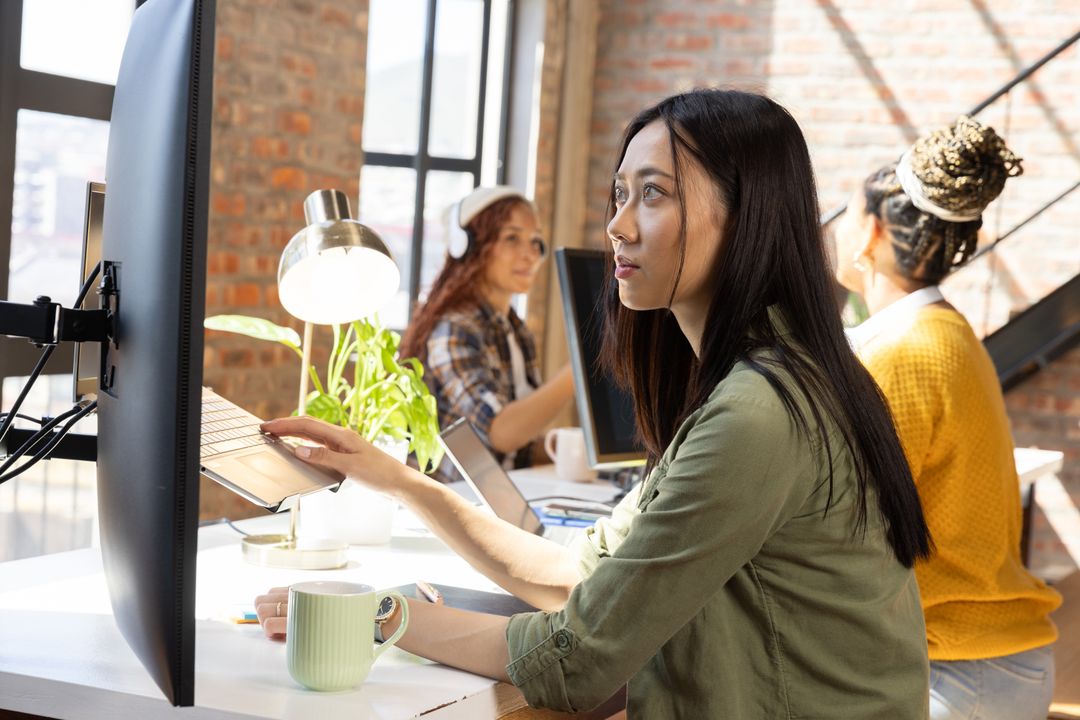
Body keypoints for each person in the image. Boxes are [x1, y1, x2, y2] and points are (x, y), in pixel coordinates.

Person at [256, 89, 933, 717]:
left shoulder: (759, 413)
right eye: (619, 195)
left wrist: (383, 617)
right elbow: (577, 572)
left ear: (744, 216)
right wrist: (397, 480)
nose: (617, 225)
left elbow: (578, 656)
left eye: (653, 195)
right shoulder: (764, 380)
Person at [833, 115, 1062, 720]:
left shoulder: (903, 352)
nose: (833, 228)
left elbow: (843, 520)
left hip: (958, 672)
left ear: (871, 234)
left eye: (846, 213)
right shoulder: (943, 331)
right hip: (986, 663)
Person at [397, 185, 575, 483]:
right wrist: (578, 370)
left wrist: (562, 448)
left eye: (535, 241)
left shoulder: (515, 330)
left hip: (503, 492)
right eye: (512, 238)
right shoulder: (453, 329)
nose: (530, 254)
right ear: (469, 246)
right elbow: (499, 433)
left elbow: (512, 449)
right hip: (457, 496)